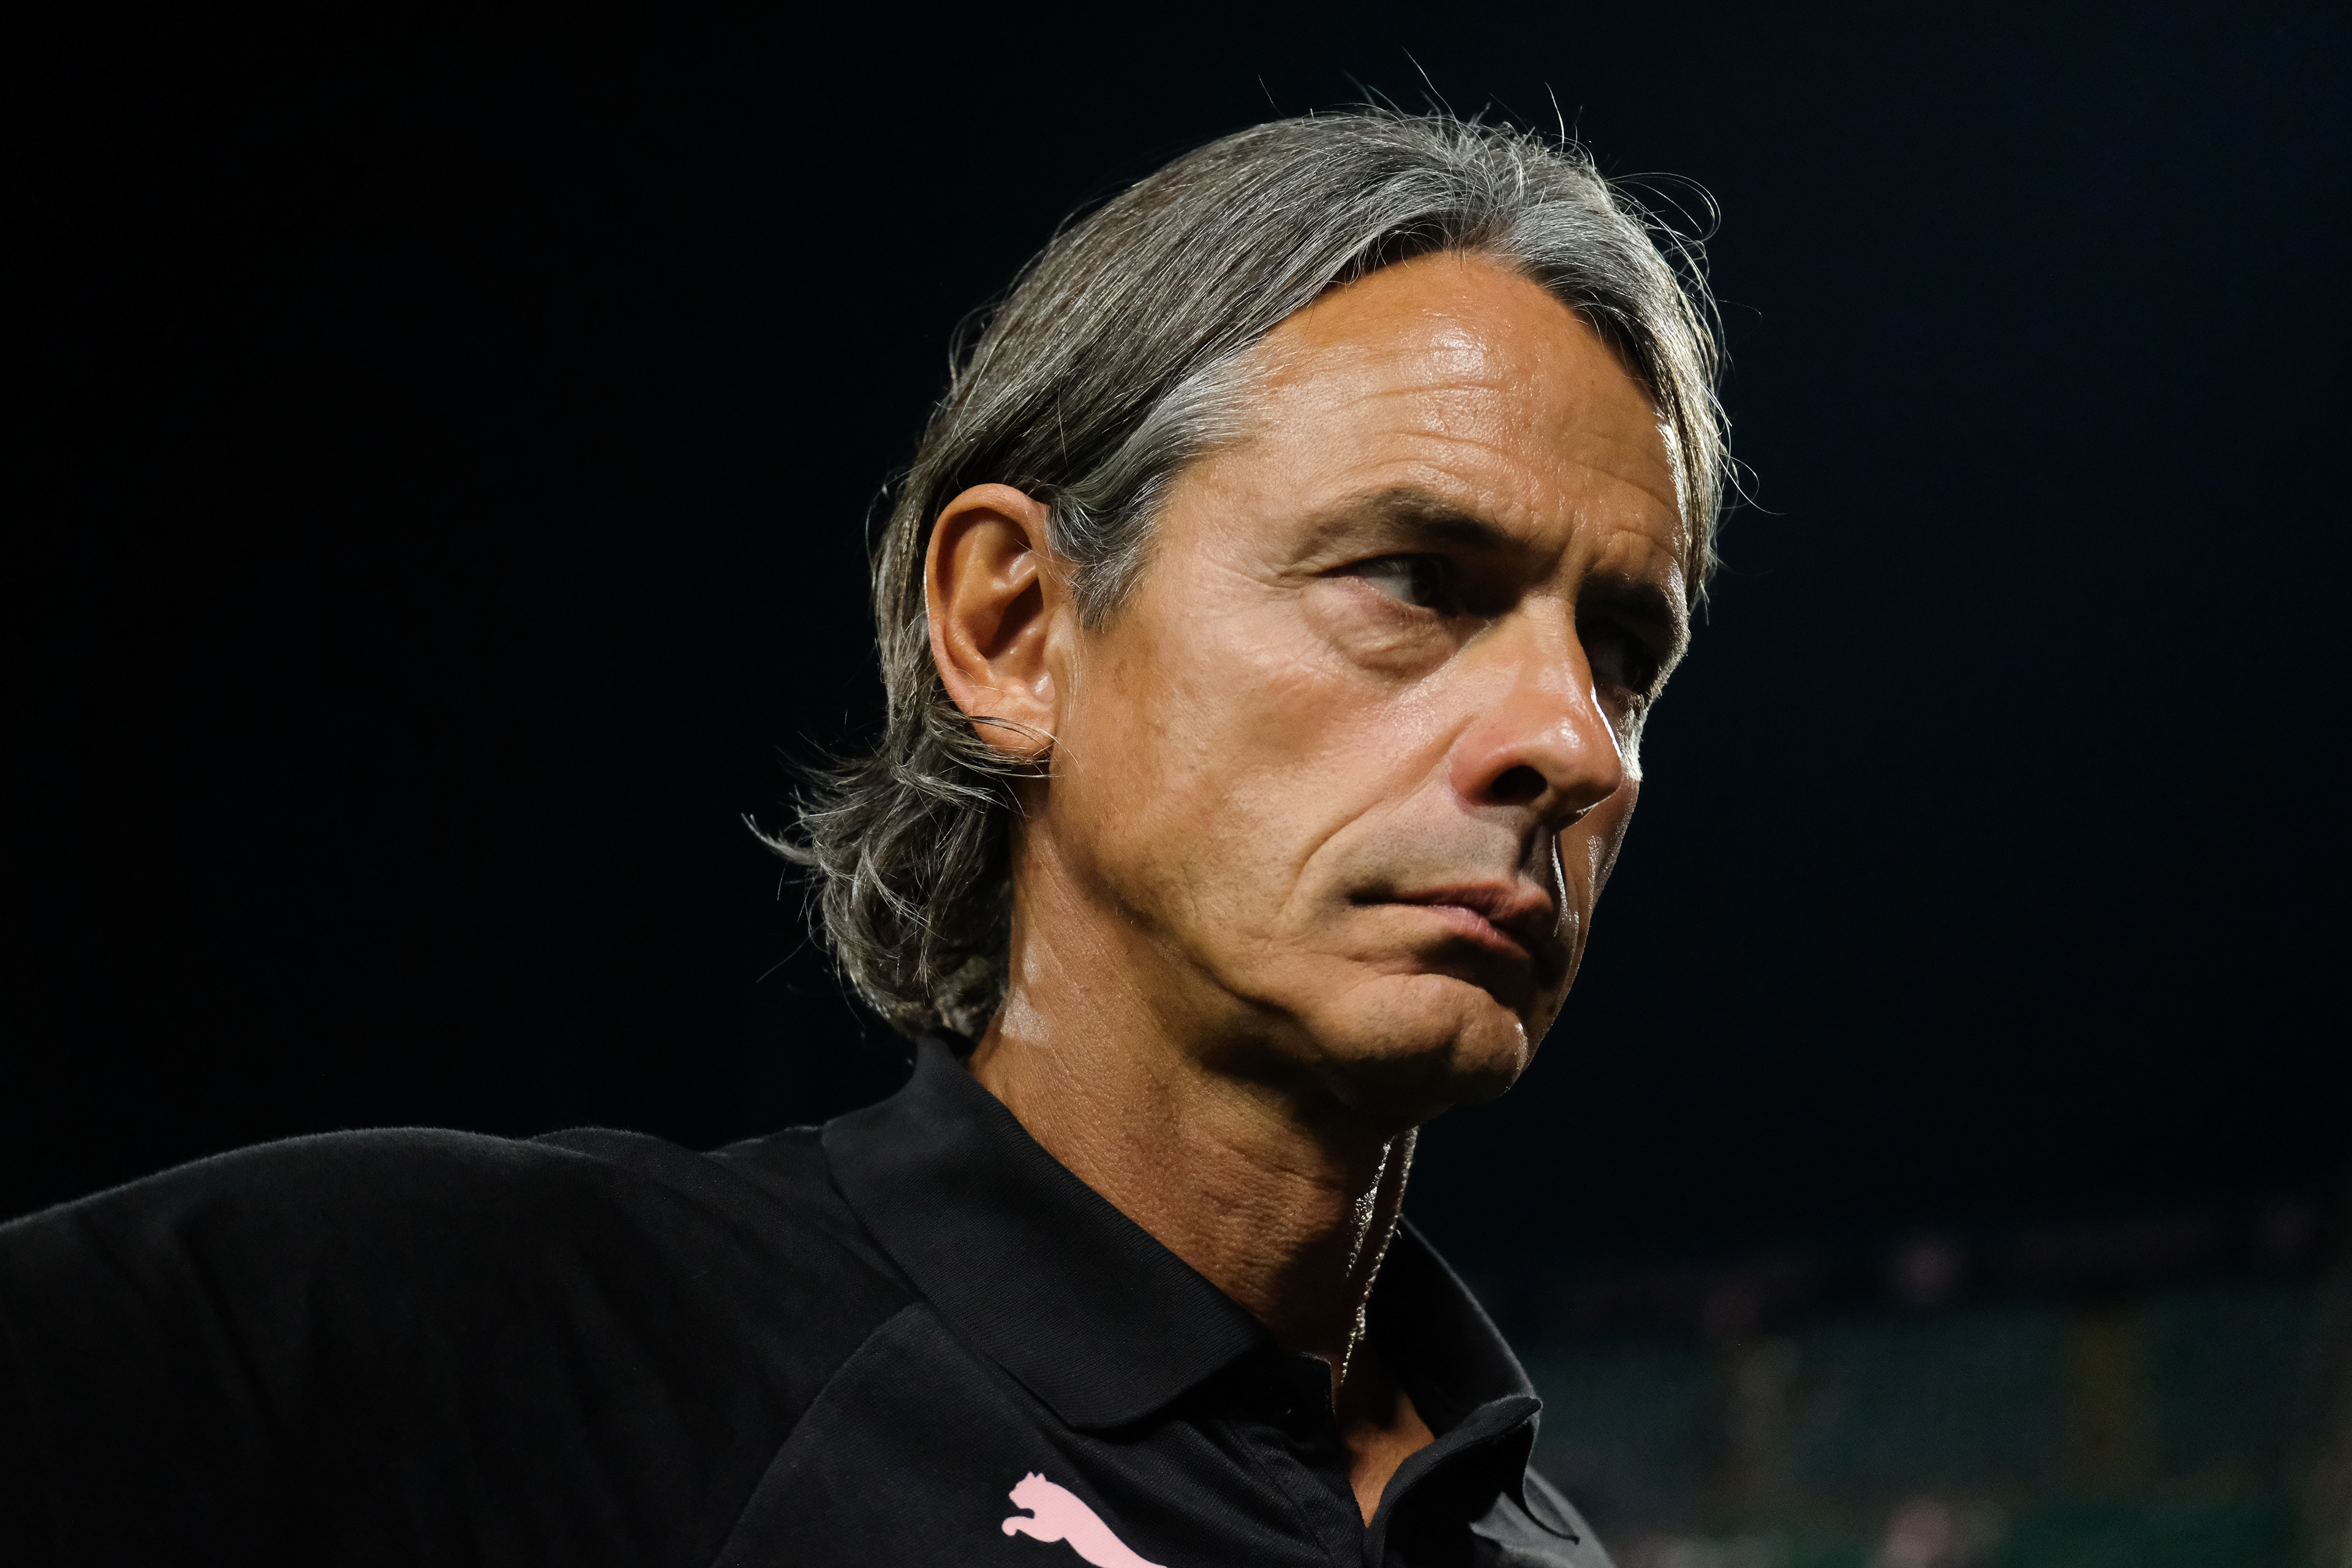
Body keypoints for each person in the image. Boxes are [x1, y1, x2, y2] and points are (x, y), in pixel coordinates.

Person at [0, 112, 1727, 1566]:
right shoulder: (464, 1342)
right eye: (1416, 582)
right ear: (1014, 628)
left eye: (1624, 655)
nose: (1571, 744)